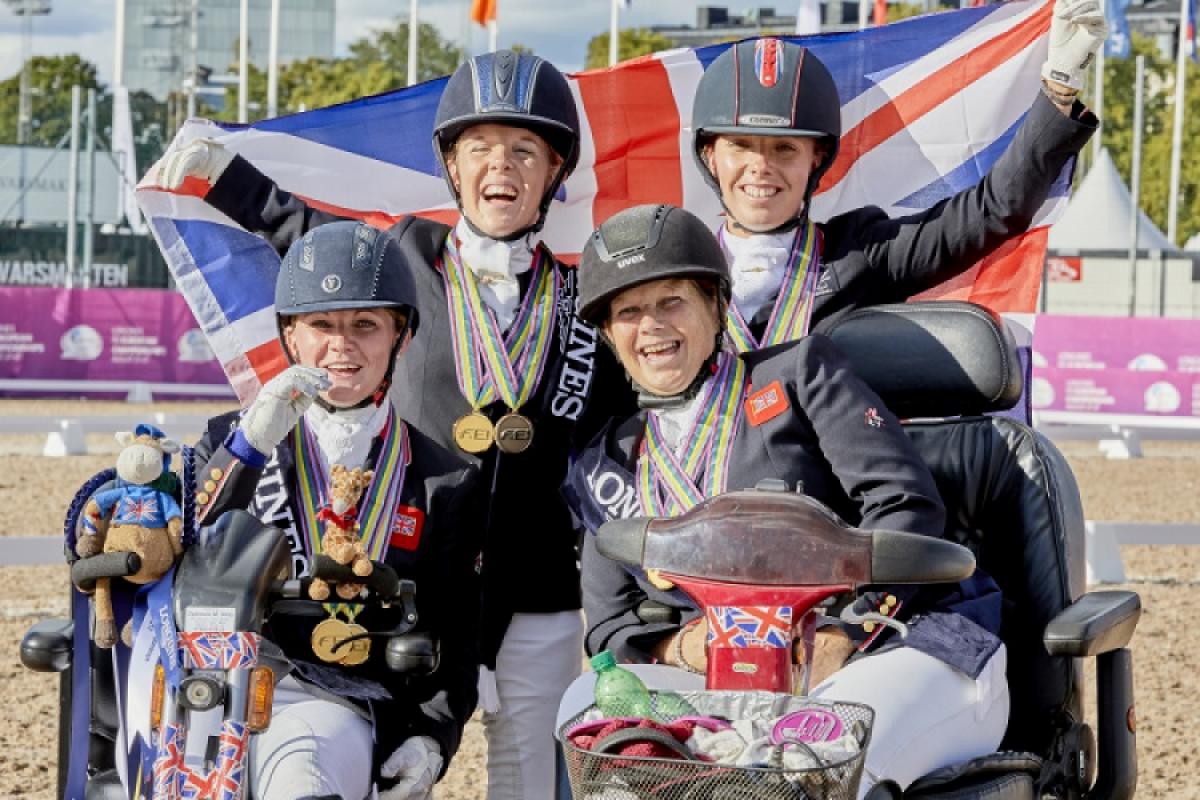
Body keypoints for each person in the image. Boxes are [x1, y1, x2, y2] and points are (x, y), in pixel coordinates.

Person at [156, 51, 627, 800]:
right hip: (407, 581)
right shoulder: (405, 256)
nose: (500, 166)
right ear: (451, 164)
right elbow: (311, 242)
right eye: (479, 147)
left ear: (554, 169)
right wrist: (228, 178)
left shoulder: (587, 304)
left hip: (541, 595)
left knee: (530, 784)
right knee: (388, 767)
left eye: (523, 150)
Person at [563, 204, 1009, 797]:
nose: (650, 326)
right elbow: (612, 627)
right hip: (719, 674)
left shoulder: (798, 374)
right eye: (628, 312)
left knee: (813, 757)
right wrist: (686, 646)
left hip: (885, 647)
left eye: (671, 302)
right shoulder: (605, 461)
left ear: (715, 306)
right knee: (585, 710)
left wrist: (846, 633)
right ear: (612, 337)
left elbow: (905, 505)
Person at [190, 221, 482, 800]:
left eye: (365, 326)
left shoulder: (443, 478)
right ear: (291, 337)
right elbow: (184, 549)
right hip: (214, 687)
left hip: (341, 698)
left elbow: (456, 636)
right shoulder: (226, 442)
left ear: (400, 337)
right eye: (321, 324)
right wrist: (248, 449)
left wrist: (432, 736)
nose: (342, 345)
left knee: (302, 777)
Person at [688, 0, 1105, 347]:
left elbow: (995, 209)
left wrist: (1060, 88)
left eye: (784, 148)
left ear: (816, 158)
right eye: (740, 146)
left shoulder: (862, 258)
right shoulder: (673, 267)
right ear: (710, 156)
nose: (761, 166)